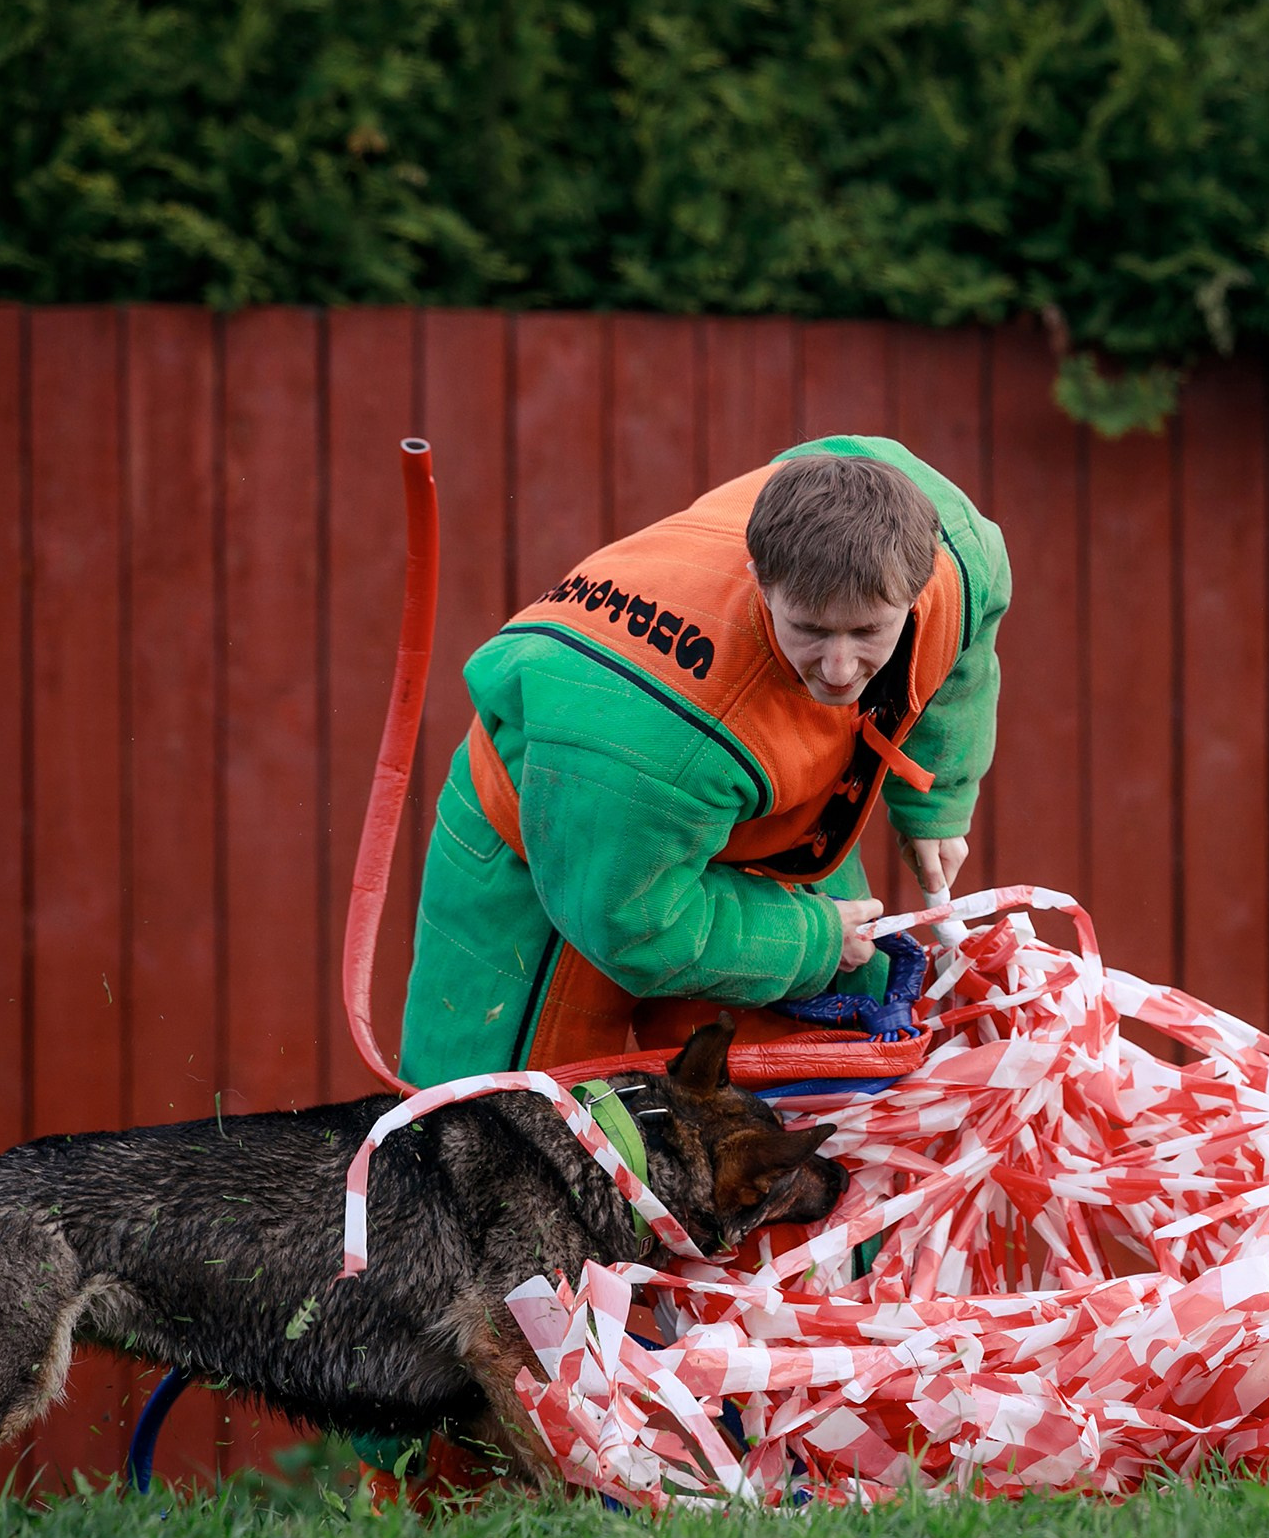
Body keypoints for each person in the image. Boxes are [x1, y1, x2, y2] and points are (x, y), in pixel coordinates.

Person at [394, 436, 1012, 1083]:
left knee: (836, 1068)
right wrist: (811, 940)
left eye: (866, 632)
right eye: (808, 629)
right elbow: (630, 924)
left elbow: (969, 625)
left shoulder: (955, 548)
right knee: (498, 1135)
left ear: (920, 591)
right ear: (759, 581)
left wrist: (938, 802)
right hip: (573, 833)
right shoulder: (661, 744)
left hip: (744, 805)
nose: (838, 669)